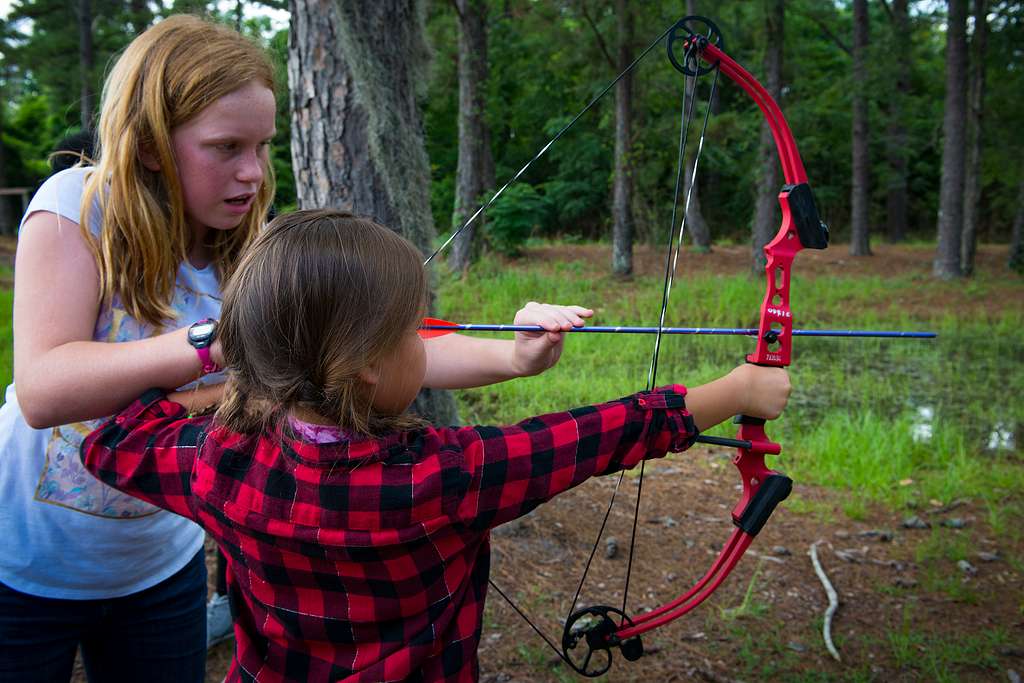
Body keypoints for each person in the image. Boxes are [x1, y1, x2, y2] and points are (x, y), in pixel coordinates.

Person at [0, 16, 588, 683]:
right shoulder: (78, 204)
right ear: (154, 145)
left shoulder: (250, 244)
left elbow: (362, 353)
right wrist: (216, 346)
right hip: (26, 562)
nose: (253, 172)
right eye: (226, 147)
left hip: (159, 564)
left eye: (262, 145)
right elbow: (45, 388)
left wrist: (512, 357)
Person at [79, 209, 792, 683]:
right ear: (363, 366)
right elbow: (603, 433)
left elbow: (113, 435)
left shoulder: (221, 461)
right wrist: (738, 392)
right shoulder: (445, 477)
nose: (426, 343)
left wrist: (239, 364)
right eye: (413, 332)